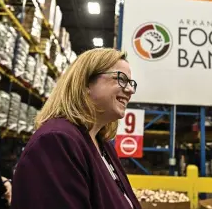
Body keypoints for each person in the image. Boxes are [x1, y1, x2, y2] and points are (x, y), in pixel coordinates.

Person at [11, 48, 141, 209]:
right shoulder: (56, 142)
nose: (130, 90)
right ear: (85, 83)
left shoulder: (103, 145)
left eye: (131, 83)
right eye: (121, 79)